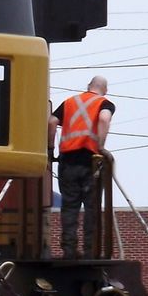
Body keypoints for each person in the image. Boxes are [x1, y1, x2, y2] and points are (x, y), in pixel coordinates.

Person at [49, 75, 115, 259]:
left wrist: (50, 149)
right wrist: (100, 147)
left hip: (67, 161)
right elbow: (104, 119)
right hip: (90, 162)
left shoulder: (70, 102)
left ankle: (69, 250)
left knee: (70, 206)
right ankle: (90, 251)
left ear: (88, 86)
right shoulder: (105, 103)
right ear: (105, 89)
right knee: (92, 207)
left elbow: (52, 121)